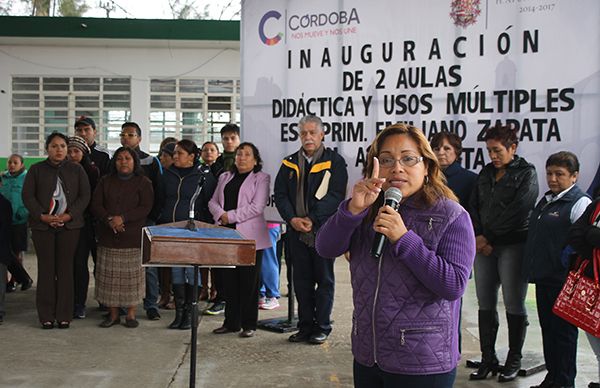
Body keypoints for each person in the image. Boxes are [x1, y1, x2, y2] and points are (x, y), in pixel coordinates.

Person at [315, 123, 475, 387]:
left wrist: (404, 239)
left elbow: (454, 285)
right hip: (369, 354)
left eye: (408, 159)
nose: (397, 168)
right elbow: (325, 248)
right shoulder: (366, 208)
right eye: (387, 160)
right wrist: (352, 211)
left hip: (422, 359)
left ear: (427, 167)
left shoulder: (452, 215)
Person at [468, 124, 539, 382]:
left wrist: (489, 237)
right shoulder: (486, 173)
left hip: (512, 245)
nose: (493, 156)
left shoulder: (526, 173)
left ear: (513, 148)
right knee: (484, 302)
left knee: (513, 302)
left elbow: (520, 209)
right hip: (484, 246)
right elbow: (473, 206)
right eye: (489, 151)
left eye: (497, 150)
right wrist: (478, 236)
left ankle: (513, 359)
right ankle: (488, 359)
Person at [274, 114, 348, 344]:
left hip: (322, 231)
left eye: (312, 133)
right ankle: (305, 326)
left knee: (324, 280)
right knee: (301, 282)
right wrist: (293, 219)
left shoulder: (334, 161)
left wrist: (312, 219)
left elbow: (336, 194)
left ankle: (322, 327)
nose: (307, 137)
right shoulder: (289, 162)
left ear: (322, 134)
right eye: (303, 133)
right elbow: (281, 195)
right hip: (296, 232)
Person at [523, 151, 591, 388]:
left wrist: (564, 264)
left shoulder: (580, 202)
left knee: (563, 335)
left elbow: (580, 241)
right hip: (544, 278)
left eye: (559, 174)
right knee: (548, 331)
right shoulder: (546, 200)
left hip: (563, 281)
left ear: (574, 176)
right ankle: (552, 378)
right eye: (550, 173)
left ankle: (564, 382)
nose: (552, 179)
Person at [22, 132, 91, 329]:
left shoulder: (76, 170)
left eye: (62, 146)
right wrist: (42, 216)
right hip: (42, 226)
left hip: (69, 226)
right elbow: (28, 196)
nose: (59, 150)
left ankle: (63, 315)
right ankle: (46, 315)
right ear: (47, 149)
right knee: (46, 269)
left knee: (65, 269)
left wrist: (69, 215)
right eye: (54, 146)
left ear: (67, 149)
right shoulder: (36, 170)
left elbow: (85, 196)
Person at [208, 142, 271, 338]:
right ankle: (231, 322)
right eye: (239, 154)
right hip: (226, 235)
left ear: (255, 160)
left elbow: (257, 206)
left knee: (249, 282)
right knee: (229, 282)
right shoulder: (225, 177)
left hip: (249, 238)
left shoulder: (261, 178)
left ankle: (249, 324)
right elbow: (212, 201)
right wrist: (221, 215)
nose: (241, 157)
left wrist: (231, 216)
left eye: (246, 154)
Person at [91, 147, 154, 328]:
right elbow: (96, 204)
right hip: (108, 236)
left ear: (134, 161)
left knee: (131, 281)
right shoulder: (105, 181)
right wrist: (109, 219)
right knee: (109, 280)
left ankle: (131, 315)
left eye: (127, 158)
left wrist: (123, 218)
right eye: (119, 159)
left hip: (132, 237)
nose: (123, 162)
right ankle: (113, 315)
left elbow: (145, 206)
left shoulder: (143, 182)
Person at [157, 139, 216, 330]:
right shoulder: (168, 174)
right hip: (171, 228)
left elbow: (209, 202)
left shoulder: (203, 175)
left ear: (192, 156)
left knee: (192, 271)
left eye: (180, 153)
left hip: (193, 230)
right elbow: (160, 198)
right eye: (174, 153)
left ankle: (190, 314)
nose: (175, 156)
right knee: (176, 270)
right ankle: (179, 314)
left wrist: (203, 226)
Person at [119, 121, 163, 321]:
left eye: (130, 135)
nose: (126, 138)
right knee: (124, 265)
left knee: (149, 265)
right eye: (123, 135)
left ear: (139, 138)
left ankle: (151, 304)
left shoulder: (150, 162)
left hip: (146, 221)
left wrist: (151, 217)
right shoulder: (117, 159)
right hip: (123, 223)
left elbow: (158, 192)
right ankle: (123, 304)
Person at [205, 124, 241, 316]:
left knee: (237, 262)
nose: (228, 142)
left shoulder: (244, 161)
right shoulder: (216, 164)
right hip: (218, 219)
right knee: (219, 262)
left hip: (240, 220)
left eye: (232, 138)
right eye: (225, 138)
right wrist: (219, 214)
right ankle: (221, 298)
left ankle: (237, 300)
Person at [567, 188, 600, 388]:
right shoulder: (596, 205)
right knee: (596, 342)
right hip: (591, 284)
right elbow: (576, 234)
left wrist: (593, 235)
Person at [67, 135, 100, 319]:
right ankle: (77, 303)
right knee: (77, 264)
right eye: (69, 151)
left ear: (84, 153)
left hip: (90, 223)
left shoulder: (92, 171)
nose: (72, 155)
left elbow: (94, 198)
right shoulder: (61, 171)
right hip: (70, 224)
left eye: (76, 151)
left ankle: (102, 300)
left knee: (98, 264)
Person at [0, 154, 33, 292]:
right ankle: (9, 281)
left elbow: (30, 198)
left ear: (21, 164)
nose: (12, 165)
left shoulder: (26, 178)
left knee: (16, 251)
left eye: (15, 162)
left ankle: (15, 280)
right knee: (5, 252)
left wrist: (23, 213)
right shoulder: (3, 177)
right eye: (9, 162)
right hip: (3, 221)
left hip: (18, 221)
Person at [430, 132, 477, 208]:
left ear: (457, 152)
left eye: (447, 148)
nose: (441, 153)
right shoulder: (426, 177)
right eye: (437, 149)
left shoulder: (472, 179)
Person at [199, 141, 220, 302]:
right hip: (201, 216)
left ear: (217, 153)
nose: (208, 153)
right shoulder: (198, 170)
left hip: (216, 216)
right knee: (202, 256)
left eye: (212, 150)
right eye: (205, 150)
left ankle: (215, 288)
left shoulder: (221, 170)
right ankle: (203, 288)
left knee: (214, 257)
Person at [259, 223, 281, 310]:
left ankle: (272, 296)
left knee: (268, 260)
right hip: (258, 225)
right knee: (261, 261)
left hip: (269, 225)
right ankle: (262, 294)